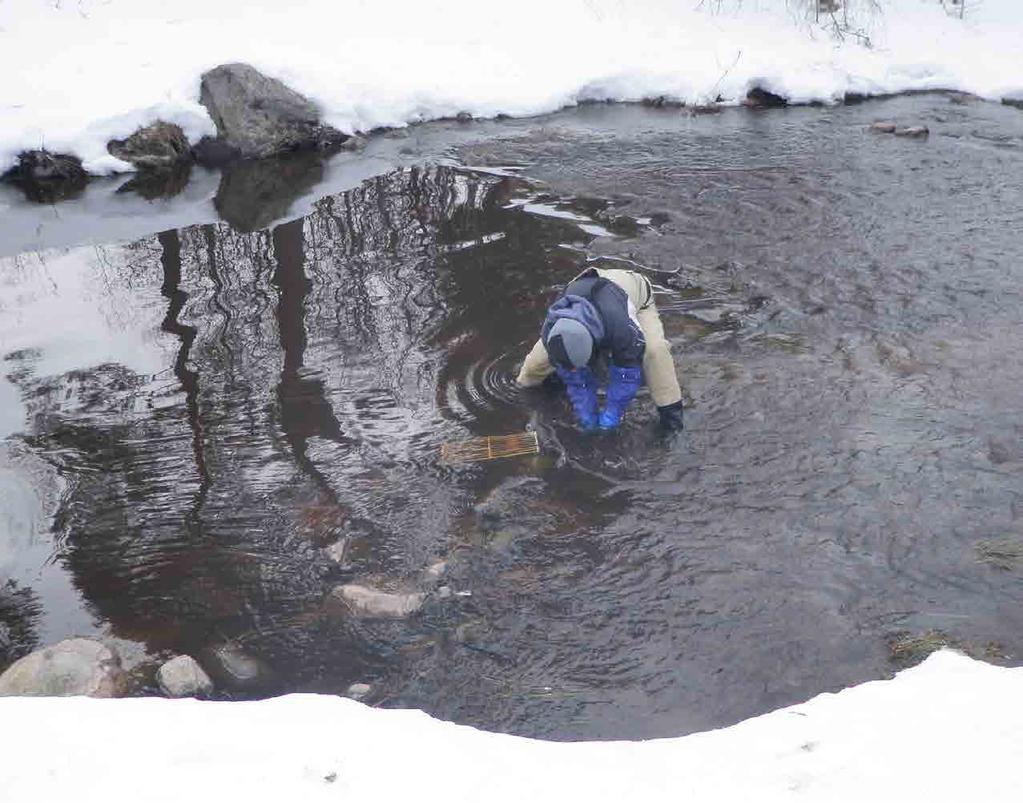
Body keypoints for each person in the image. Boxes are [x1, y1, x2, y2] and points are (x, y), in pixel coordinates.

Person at [516, 267, 685, 432]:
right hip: (587, 286)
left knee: (654, 353)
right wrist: (585, 412)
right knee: (532, 368)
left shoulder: (620, 328)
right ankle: (546, 390)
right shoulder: (551, 328)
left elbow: (626, 377)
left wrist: (612, 415)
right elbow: (574, 374)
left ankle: (672, 419)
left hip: (634, 292)